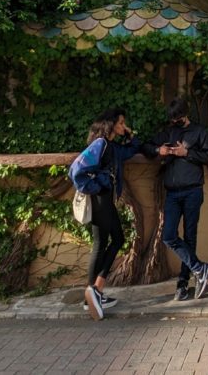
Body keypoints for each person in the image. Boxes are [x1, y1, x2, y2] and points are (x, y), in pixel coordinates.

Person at [69, 108, 141, 321]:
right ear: (110, 124)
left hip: (105, 198)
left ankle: (92, 294)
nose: (122, 126)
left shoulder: (113, 147)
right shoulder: (100, 144)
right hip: (101, 198)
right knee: (116, 239)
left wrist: (129, 134)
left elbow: (132, 149)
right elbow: (76, 170)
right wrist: (98, 186)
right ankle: (94, 291)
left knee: (102, 244)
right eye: (120, 123)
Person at [142, 97, 208, 301]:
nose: (175, 122)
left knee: (190, 236)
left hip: (193, 190)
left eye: (178, 118)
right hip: (172, 193)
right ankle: (201, 268)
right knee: (168, 235)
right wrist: (159, 150)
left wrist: (186, 152)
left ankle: (183, 283)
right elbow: (147, 147)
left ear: (185, 114)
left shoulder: (199, 131)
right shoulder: (169, 132)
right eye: (172, 120)